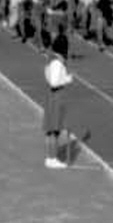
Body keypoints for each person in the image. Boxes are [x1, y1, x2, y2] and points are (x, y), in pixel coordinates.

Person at [43, 34, 74, 168]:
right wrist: (67, 79)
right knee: (54, 130)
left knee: (51, 130)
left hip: (52, 96)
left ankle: (50, 157)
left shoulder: (51, 60)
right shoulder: (57, 63)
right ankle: (52, 158)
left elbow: (47, 76)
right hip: (56, 96)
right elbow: (54, 82)